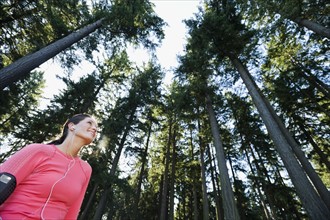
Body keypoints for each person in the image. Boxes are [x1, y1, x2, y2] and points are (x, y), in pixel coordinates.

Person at [0, 113, 98, 220]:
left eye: (96, 128)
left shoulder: (85, 169)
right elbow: (3, 180)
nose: (94, 128)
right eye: (89, 123)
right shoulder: (39, 151)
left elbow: (72, 213)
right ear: (71, 126)